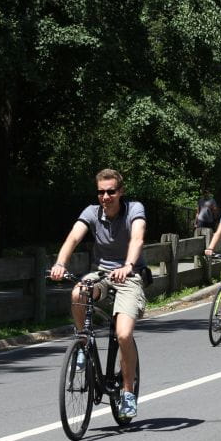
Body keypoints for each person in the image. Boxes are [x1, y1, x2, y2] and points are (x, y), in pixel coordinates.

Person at [50, 168, 147, 419]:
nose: (105, 197)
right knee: (78, 292)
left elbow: (137, 239)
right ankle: (83, 343)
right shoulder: (91, 213)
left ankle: (127, 393)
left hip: (130, 276)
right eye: (101, 192)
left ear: (120, 192)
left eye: (111, 192)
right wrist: (61, 263)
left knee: (124, 334)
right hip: (102, 274)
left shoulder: (134, 209)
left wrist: (128, 266)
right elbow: (73, 238)